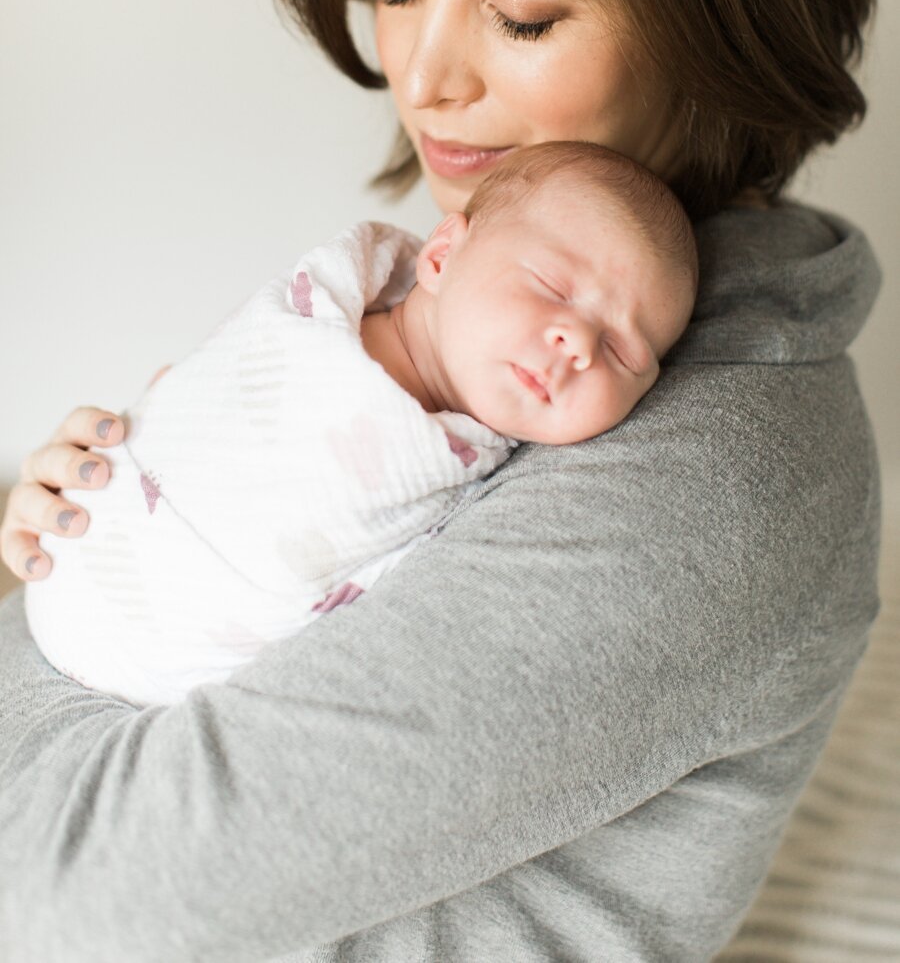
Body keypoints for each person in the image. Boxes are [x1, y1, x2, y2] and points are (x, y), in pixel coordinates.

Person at [0, 0, 881, 962]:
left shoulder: (713, 474)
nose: (425, 78)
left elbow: (73, 896)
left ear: (716, 20)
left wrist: (36, 629)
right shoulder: (476, 305)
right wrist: (82, 527)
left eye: (523, 19)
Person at [24, 143, 698, 709]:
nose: (577, 344)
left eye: (622, 352)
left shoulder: (509, 485)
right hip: (75, 540)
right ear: (438, 258)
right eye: (552, 285)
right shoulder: (320, 312)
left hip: (167, 684)